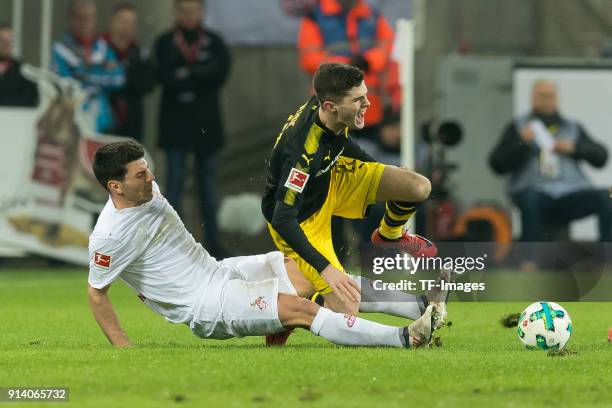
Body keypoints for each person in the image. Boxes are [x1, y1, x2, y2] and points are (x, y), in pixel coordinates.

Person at [87, 140, 438, 349]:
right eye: (140, 175)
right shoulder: (110, 236)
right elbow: (96, 292)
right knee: (304, 310)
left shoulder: (146, 191)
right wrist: (124, 347)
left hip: (219, 272)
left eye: (147, 169)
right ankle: (404, 338)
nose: (151, 177)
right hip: (205, 304)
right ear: (115, 187)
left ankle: (422, 306)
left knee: (313, 270)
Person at [262, 63, 439, 327]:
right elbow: (282, 218)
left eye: (365, 95)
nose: (368, 104)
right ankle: (291, 309)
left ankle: (390, 236)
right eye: (358, 100)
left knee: (416, 186)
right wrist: (326, 268)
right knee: (347, 308)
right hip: (301, 219)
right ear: (331, 106)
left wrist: (377, 167)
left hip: (331, 180)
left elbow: (339, 141)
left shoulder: (330, 108)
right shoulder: (302, 153)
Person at [489, 79, 611, 246]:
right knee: (530, 200)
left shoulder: (572, 127)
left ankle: (606, 259)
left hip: (571, 194)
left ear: (557, 98)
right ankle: (528, 261)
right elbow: (497, 164)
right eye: (542, 96)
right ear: (532, 98)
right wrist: (520, 141)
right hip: (533, 192)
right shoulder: (519, 127)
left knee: (609, 196)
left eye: (551, 96)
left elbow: (601, 157)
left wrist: (575, 148)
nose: (547, 100)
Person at [155, 0, 231, 258]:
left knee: (208, 188)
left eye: (193, 11)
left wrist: (186, 74)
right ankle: (172, 244)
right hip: (175, 127)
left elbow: (219, 74)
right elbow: (163, 76)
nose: (188, 16)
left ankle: (213, 242)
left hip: (207, 127)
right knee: (173, 185)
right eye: (184, 11)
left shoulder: (215, 42)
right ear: (176, 12)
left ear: (201, 12)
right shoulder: (165, 42)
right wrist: (198, 74)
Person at [51, 0, 125, 133]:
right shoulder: (60, 49)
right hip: (74, 123)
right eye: (80, 18)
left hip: (104, 124)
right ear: (71, 19)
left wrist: (84, 73)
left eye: (89, 18)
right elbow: (64, 83)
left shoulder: (103, 46)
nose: (85, 23)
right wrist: (101, 69)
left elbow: (119, 79)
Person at [103, 3, 155, 141]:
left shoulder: (140, 53)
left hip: (132, 123)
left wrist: (121, 72)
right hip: (104, 121)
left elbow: (148, 83)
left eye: (131, 22)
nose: (126, 26)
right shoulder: (99, 48)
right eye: (123, 21)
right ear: (112, 21)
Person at [0, 24, 38, 107]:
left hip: (16, 117)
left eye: (10, 41)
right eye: (2, 40)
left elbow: (31, 98)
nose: (6, 45)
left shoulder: (23, 69)